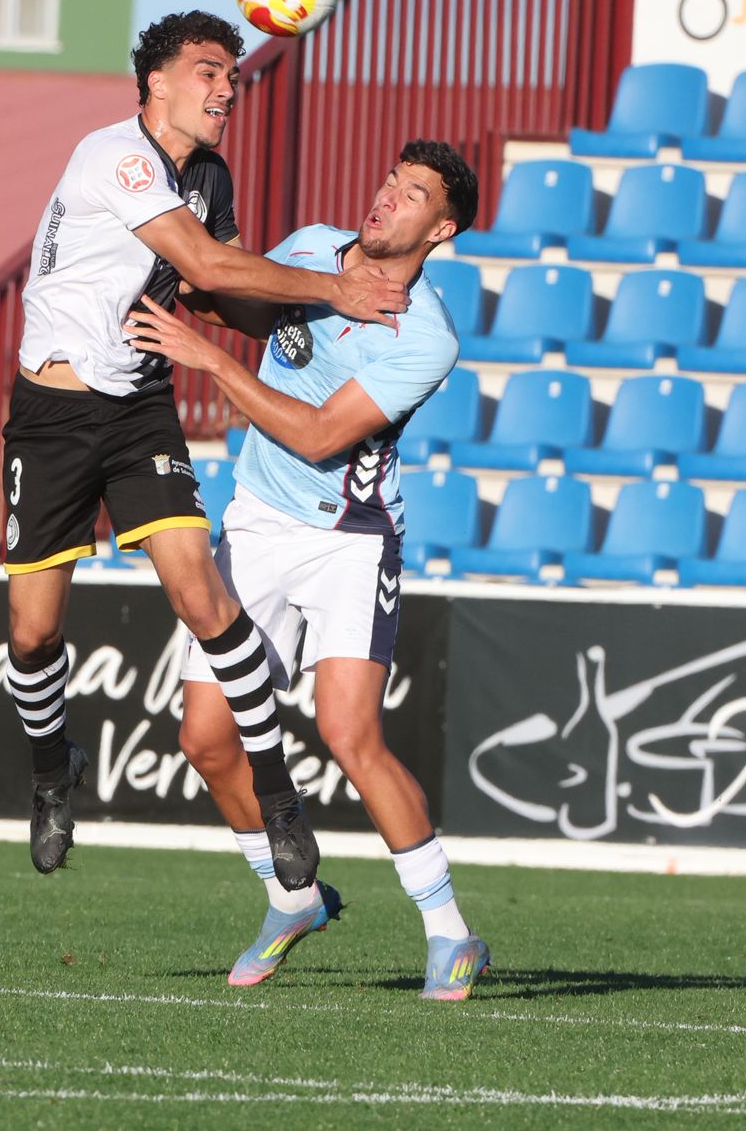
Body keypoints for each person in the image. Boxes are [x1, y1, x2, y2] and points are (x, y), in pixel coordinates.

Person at [4, 9, 409, 883]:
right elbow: (210, 263)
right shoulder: (110, 153)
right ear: (156, 82)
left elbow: (213, 294)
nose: (227, 87)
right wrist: (337, 289)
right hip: (51, 411)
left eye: (232, 74)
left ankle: (278, 797)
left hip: (141, 407)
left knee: (200, 591)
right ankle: (50, 771)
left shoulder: (210, 174)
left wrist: (314, 324)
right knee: (33, 636)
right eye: (208, 70)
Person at [126, 140, 484, 999]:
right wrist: (197, 272)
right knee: (206, 743)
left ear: (444, 229)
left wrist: (207, 359)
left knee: (348, 734)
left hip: (349, 539)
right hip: (256, 520)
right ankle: (292, 896)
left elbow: (322, 435)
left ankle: (450, 932)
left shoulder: (426, 337)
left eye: (412, 195)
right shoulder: (313, 248)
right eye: (389, 180)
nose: (386, 198)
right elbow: (255, 313)